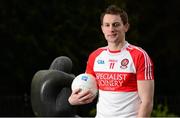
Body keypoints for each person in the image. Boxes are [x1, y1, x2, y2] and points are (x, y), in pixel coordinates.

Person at [68, 5, 154, 118]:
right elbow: (88, 90)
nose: (111, 29)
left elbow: (147, 101)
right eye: (107, 25)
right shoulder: (95, 56)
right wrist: (72, 100)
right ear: (102, 28)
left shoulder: (139, 55)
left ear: (126, 27)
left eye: (116, 24)